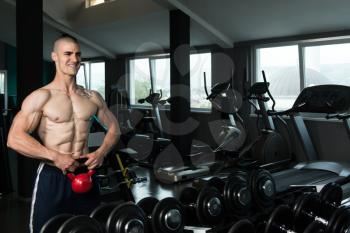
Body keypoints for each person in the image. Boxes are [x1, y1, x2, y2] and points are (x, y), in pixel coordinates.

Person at [7, 34, 120, 233]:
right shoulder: (42, 96)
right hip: (53, 176)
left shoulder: (91, 96)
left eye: (78, 54)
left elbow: (114, 129)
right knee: (46, 229)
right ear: (54, 56)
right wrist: (56, 157)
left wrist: (101, 152)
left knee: (90, 228)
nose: (74, 59)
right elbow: (14, 138)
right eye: (67, 53)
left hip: (86, 173)